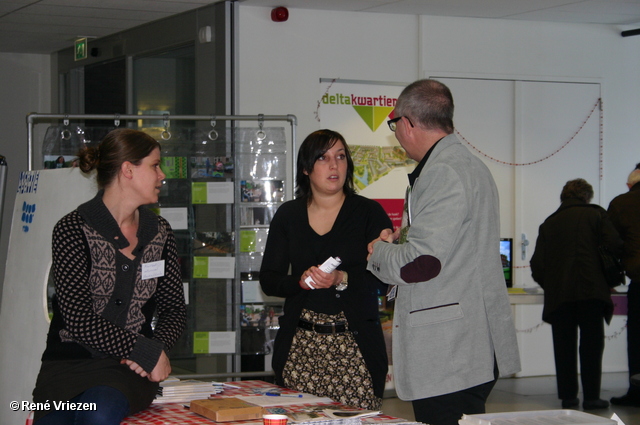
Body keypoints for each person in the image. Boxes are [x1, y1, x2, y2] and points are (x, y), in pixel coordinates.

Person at [366, 79, 521, 425]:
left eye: (394, 126)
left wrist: (378, 252)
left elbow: (422, 263)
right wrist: (401, 243)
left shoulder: (443, 172)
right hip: (466, 341)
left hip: (450, 347)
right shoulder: (466, 165)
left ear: (406, 123)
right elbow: (447, 251)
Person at [32, 128, 187, 424]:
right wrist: (142, 349)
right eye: (155, 165)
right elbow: (78, 317)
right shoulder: (72, 230)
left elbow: (174, 310)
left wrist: (154, 351)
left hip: (125, 371)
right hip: (67, 368)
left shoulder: (160, 233)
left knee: (99, 414)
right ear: (128, 169)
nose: (162, 174)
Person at [260, 129, 391, 410]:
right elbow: (270, 280)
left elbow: (385, 281)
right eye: (323, 158)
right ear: (306, 168)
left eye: (341, 157)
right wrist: (300, 281)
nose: (334, 165)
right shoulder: (288, 215)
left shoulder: (369, 213)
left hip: (354, 350)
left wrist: (342, 278)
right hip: (300, 348)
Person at [530, 178, 622, 410]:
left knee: (564, 346)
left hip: (560, 296)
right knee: (591, 345)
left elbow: (537, 264)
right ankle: (592, 397)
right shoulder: (597, 215)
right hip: (592, 291)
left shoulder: (549, 223)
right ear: (586, 196)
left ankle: (568, 397)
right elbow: (615, 245)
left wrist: (551, 284)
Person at [608, 165, 640, 407]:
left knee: (637, 340)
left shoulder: (622, 203)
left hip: (639, 281)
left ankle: (637, 391)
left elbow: (610, 245)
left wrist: (611, 279)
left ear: (630, 185)